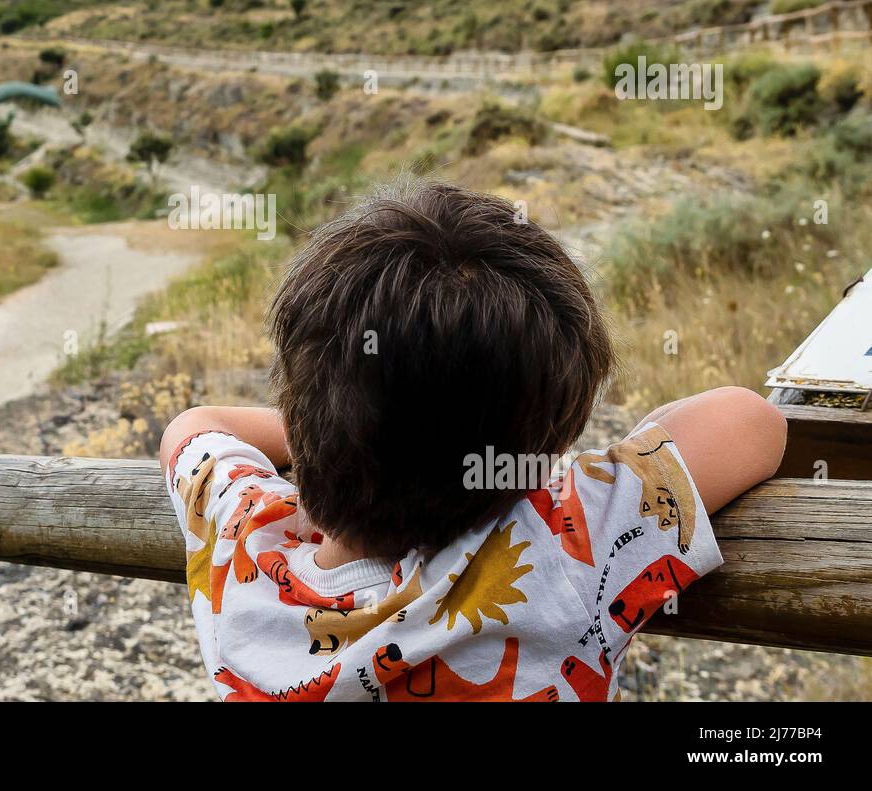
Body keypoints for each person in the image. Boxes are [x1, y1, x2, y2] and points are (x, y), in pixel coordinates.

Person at [160, 179, 786, 702]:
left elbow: (192, 428)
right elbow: (750, 420)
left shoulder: (242, 544)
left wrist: (328, 433)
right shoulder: (560, 549)